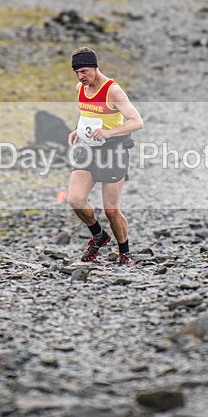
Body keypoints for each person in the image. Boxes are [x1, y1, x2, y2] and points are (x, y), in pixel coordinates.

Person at [66, 47, 144, 266]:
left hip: (113, 152)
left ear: (94, 67)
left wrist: (109, 133)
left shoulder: (113, 90)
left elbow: (137, 121)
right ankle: (99, 236)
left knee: (111, 210)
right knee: (75, 199)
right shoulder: (80, 88)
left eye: (84, 71)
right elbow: (88, 114)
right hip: (88, 149)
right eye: (77, 73)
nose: (80, 77)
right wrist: (78, 130)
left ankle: (125, 253)